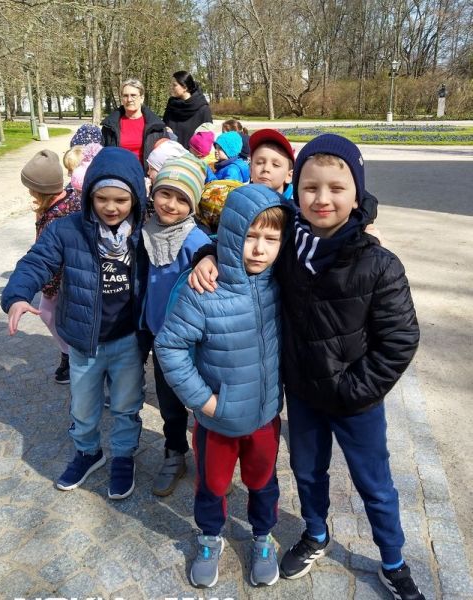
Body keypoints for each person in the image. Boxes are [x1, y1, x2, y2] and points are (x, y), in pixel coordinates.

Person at [188, 134, 424, 600]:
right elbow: (244, 246)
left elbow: (400, 340)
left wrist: (354, 390)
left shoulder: (379, 264)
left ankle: (393, 561)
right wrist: (208, 255)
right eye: (311, 187)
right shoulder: (289, 245)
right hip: (304, 395)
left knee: (374, 483)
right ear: (296, 189)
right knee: (308, 471)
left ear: (357, 193)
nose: (322, 199)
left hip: (356, 401)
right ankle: (316, 532)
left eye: (336, 188)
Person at [155, 185, 289, 588]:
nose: (260, 249)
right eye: (250, 236)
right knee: (212, 485)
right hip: (218, 421)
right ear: (231, 236)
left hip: (264, 417)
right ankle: (210, 537)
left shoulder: (281, 285)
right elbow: (170, 346)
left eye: (271, 239)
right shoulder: (204, 290)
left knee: (263, 482)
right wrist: (203, 400)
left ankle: (263, 538)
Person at [2, 147, 148, 501]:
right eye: (101, 198)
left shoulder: (145, 233)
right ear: (88, 196)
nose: (111, 207)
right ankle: (87, 451)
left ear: (135, 199)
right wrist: (17, 295)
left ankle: (123, 456)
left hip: (128, 340)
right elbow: (36, 262)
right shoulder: (66, 230)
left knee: (126, 405)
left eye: (120, 200)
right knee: (83, 406)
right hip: (84, 340)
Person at [141, 154, 211, 497]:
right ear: (153, 193)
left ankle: (211, 459)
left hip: (193, 342)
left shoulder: (196, 241)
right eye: (165, 193)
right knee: (169, 403)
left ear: (192, 205)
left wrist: (210, 256)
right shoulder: (144, 233)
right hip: (160, 338)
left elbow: (211, 275)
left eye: (182, 199)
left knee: (202, 402)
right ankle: (174, 453)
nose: (171, 204)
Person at [19, 149, 80, 384]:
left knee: (47, 312)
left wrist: (49, 287)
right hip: (64, 277)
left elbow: (55, 257)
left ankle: (71, 357)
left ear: (40, 189)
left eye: (31, 187)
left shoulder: (56, 215)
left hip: (62, 277)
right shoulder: (67, 199)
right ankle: (69, 355)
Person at [101, 78, 167, 173]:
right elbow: (103, 155)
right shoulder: (110, 125)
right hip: (118, 175)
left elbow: (165, 157)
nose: (129, 99)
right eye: (125, 96)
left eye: (133, 95)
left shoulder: (156, 126)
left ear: (142, 98)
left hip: (146, 176)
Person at [163, 70, 213, 149]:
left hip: (191, 154)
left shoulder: (203, 109)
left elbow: (206, 139)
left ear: (185, 87)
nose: (171, 88)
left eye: (174, 85)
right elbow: (165, 124)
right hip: (170, 152)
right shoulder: (172, 104)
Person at [249, 128, 295, 200]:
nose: (266, 168)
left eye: (275, 165)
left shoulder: (296, 206)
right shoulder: (237, 202)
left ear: (289, 176)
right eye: (259, 162)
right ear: (251, 170)